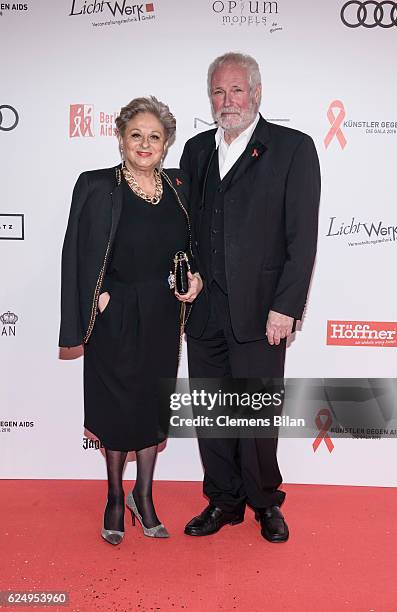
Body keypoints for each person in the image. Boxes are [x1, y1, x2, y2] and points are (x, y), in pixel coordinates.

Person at [179, 52, 320, 542]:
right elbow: (188, 230)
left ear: (257, 93)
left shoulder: (292, 149)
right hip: (204, 310)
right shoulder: (196, 151)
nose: (227, 100)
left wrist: (286, 305)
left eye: (236, 90)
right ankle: (223, 500)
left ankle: (264, 501)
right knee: (212, 410)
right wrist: (189, 277)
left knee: (257, 411)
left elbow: (302, 239)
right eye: (218, 92)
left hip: (263, 311)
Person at [59, 96, 202, 545]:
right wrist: (93, 300)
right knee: (118, 408)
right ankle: (114, 498)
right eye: (136, 134)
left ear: (166, 145)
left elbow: (193, 247)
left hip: (161, 316)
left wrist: (194, 279)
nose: (145, 144)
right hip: (115, 315)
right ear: (120, 138)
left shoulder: (179, 188)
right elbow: (75, 252)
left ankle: (145, 495)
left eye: (154, 137)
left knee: (152, 406)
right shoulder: (97, 185)